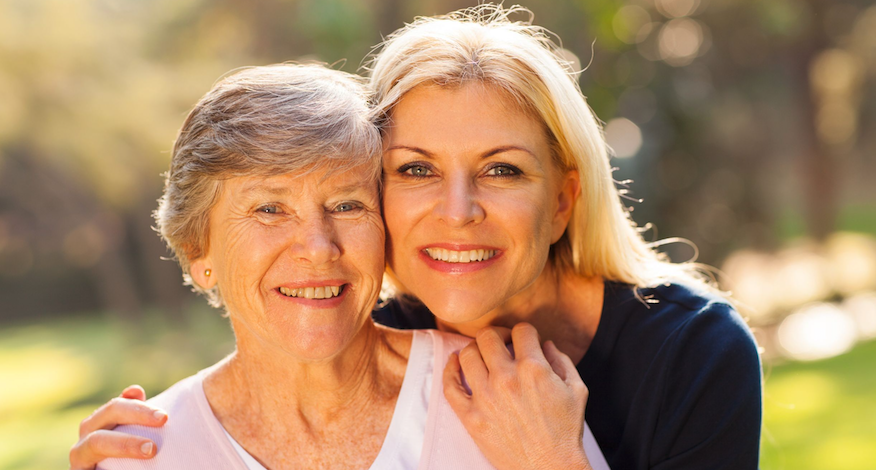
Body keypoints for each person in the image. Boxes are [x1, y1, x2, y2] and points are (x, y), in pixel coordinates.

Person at [71, 5, 762, 470]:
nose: (457, 211)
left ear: (562, 201)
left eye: (501, 169)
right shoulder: (364, 329)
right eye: (415, 169)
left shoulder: (692, 352)